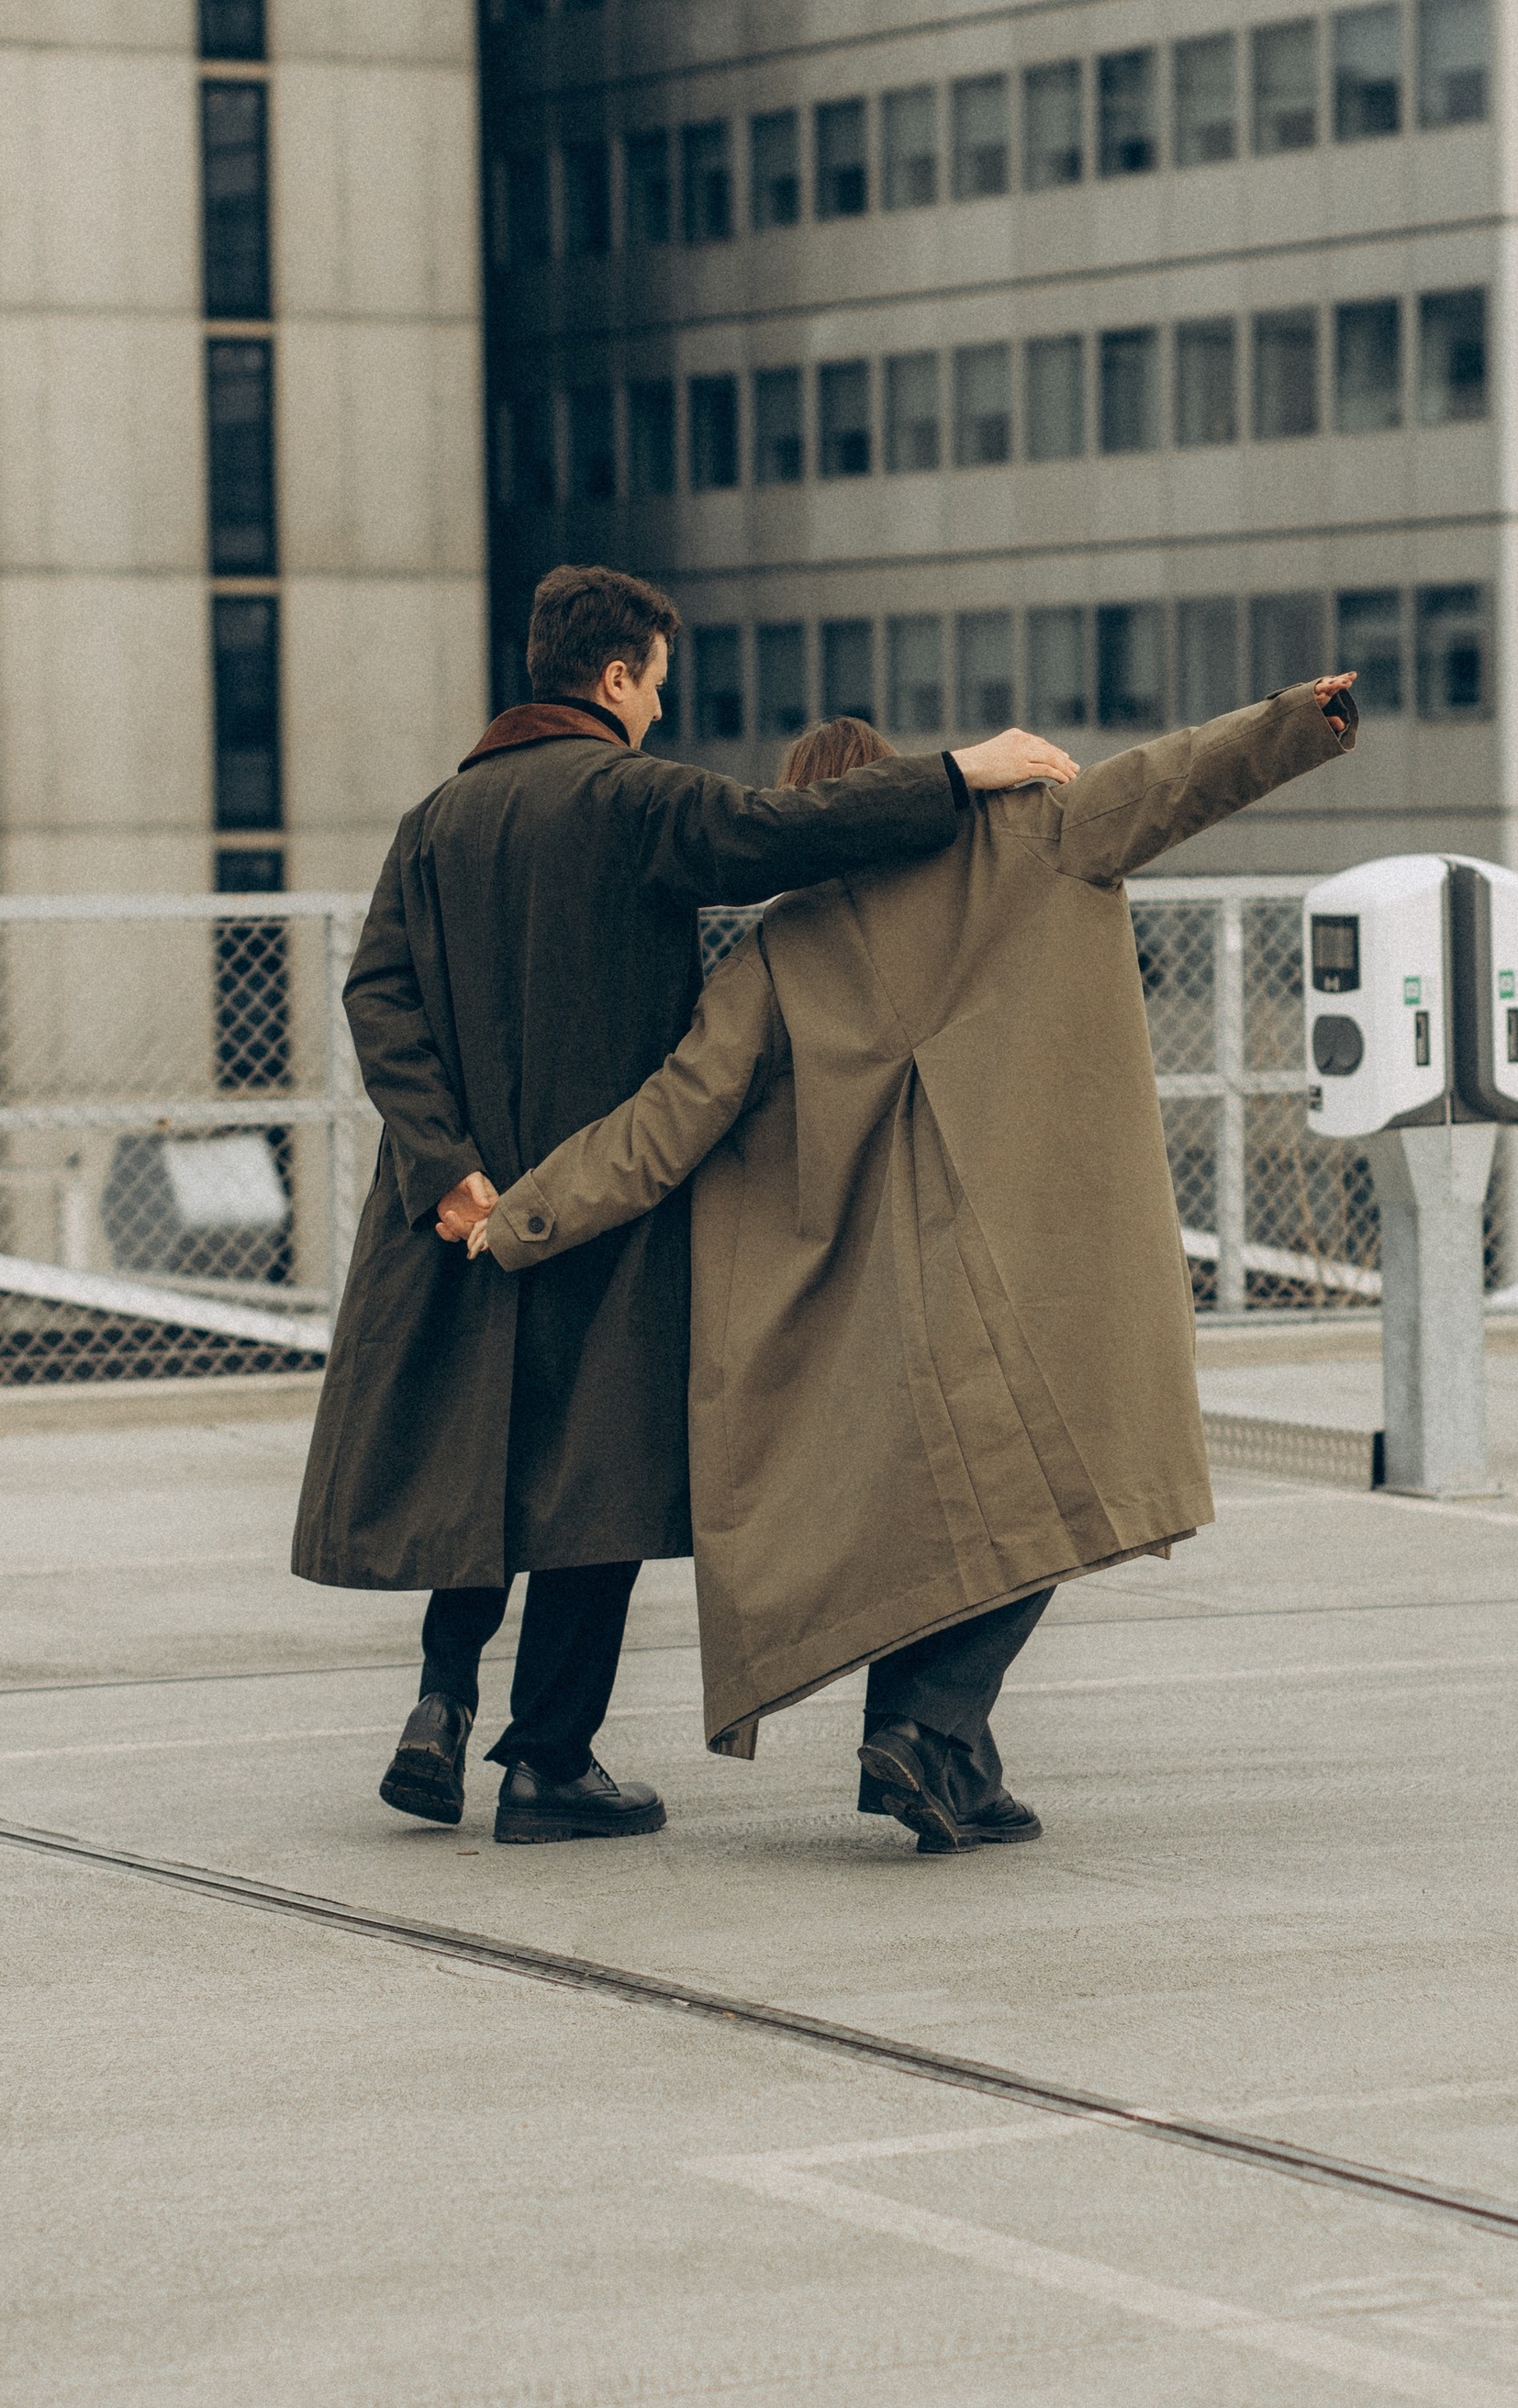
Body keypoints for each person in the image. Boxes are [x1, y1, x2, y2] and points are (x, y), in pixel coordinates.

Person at [466, 670, 1358, 1851]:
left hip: (873, 1301)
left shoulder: (774, 958)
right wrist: (1299, 717)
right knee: (1058, 1500)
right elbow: (1172, 779)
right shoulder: (1023, 839)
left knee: (931, 1525)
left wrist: (517, 1217)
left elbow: (662, 1127)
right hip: (1029, 1262)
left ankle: (949, 1758)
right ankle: (927, 1726)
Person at [290, 564, 1078, 1844]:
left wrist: (444, 1165)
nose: (661, 707)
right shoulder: (631, 800)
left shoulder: (434, 818)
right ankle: (548, 1760)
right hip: (602, 1194)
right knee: (585, 1484)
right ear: (613, 677)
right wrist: (957, 773)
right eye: (656, 681)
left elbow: (376, 994)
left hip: (462, 1202)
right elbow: (785, 833)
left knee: (469, 1460)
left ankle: (438, 1708)